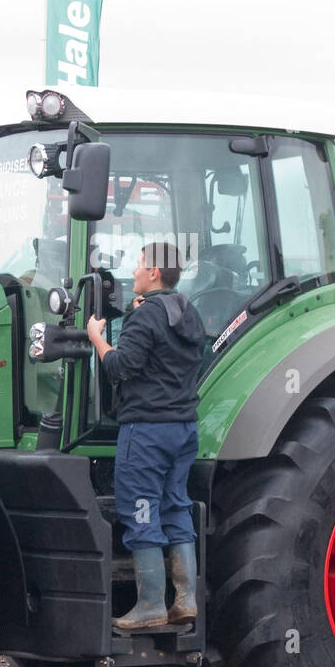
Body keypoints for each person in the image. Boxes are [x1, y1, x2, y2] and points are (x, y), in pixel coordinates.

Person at [86, 242, 206, 631]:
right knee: (176, 504)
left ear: (154, 272)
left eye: (139, 264)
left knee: (140, 510)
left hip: (148, 431)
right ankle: (186, 600)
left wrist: (97, 339)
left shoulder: (145, 318)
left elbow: (121, 367)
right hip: (183, 428)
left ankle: (152, 603)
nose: (134, 270)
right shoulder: (189, 314)